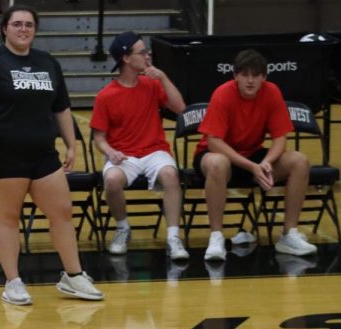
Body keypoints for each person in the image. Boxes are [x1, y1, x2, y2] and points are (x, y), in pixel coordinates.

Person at [0, 5, 104, 306]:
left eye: (28, 24)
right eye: (17, 24)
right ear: (5, 29)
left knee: (62, 212)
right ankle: (13, 282)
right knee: (9, 217)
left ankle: (73, 275)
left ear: (35, 29)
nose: (23, 29)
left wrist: (71, 144)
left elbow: (61, 107)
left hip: (42, 154)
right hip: (3, 154)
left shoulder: (47, 62)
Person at [195, 48, 317, 262]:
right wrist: (252, 166)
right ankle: (216, 237)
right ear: (235, 76)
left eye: (256, 75)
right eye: (245, 75)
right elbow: (214, 142)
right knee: (218, 163)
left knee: (299, 161)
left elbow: (280, 138)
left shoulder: (272, 92)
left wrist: (266, 163)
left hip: (253, 156)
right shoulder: (223, 94)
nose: (250, 80)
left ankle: (288, 234)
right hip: (216, 155)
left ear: (264, 77)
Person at [91, 31, 189, 261]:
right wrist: (110, 152)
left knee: (170, 175)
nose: (147, 56)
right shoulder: (106, 96)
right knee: (112, 180)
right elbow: (99, 138)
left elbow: (180, 107)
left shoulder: (152, 85)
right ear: (126, 58)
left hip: (155, 150)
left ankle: (173, 237)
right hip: (123, 154)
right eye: (142, 52)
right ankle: (123, 227)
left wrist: (163, 78)